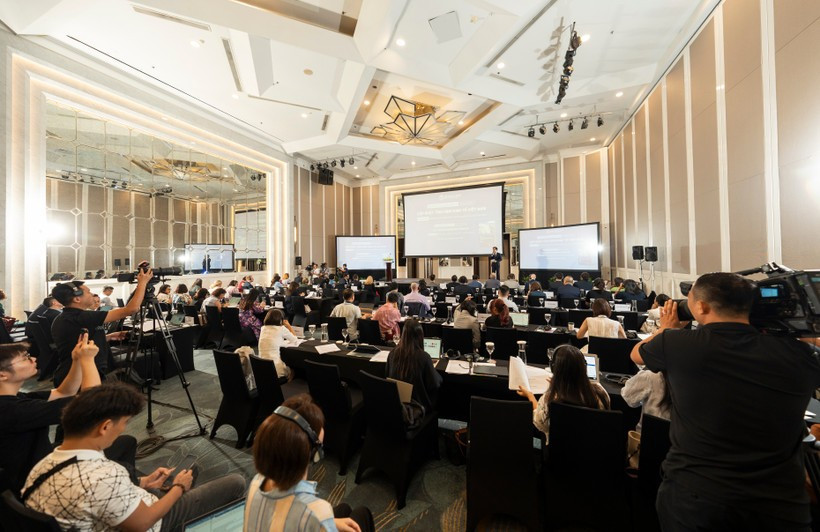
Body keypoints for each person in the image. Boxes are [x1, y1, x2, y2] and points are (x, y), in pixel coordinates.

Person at [630, 272, 820, 530]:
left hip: (698, 499)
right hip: (779, 503)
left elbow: (637, 355)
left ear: (701, 306)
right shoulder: (802, 355)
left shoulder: (676, 344)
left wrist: (665, 328)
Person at [24, 382, 246, 531]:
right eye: (124, 423)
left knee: (163, 485)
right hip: (146, 521)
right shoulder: (105, 475)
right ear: (105, 426)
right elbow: (143, 523)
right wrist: (179, 487)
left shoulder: (43, 465)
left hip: (112, 511)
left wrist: (143, 482)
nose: (123, 430)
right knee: (236, 482)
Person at [245, 394, 374, 532]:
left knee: (344, 509)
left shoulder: (256, 482)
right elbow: (308, 516)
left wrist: (330, 522)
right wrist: (323, 522)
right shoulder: (317, 510)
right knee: (362, 515)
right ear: (314, 455)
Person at [0, 335, 101, 492]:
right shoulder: (13, 410)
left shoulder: (15, 399)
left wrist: (77, 361)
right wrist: (88, 361)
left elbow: (64, 392)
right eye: (25, 358)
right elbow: (92, 403)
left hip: (39, 464)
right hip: (38, 483)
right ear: (2, 375)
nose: (33, 358)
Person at [51, 268, 150, 386]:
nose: (92, 294)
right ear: (77, 299)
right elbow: (131, 309)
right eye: (88, 292)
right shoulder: (83, 316)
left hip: (73, 373)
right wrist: (142, 283)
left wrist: (107, 337)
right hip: (84, 376)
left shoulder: (63, 318)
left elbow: (76, 341)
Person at [517, 344, 611, 443]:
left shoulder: (551, 398)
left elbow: (539, 423)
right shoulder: (601, 393)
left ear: (554, 369)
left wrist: (530, 396)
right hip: (594, 450)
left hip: (560, 454)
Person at [386, 319, 442, 414]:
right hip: (418, 406)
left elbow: (387, 376)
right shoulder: (424, 357)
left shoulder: (392, 353)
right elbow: (435, 383)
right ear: (420, 336)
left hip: (397, 404)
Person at [258, 309, 296, 380]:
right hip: (275, 368)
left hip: (261, 367)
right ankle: (287, 386)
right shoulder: (281, 328)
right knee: (292, 370)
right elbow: (294, 339)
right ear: (280, 320)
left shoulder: (263, 328)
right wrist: (288, 326)